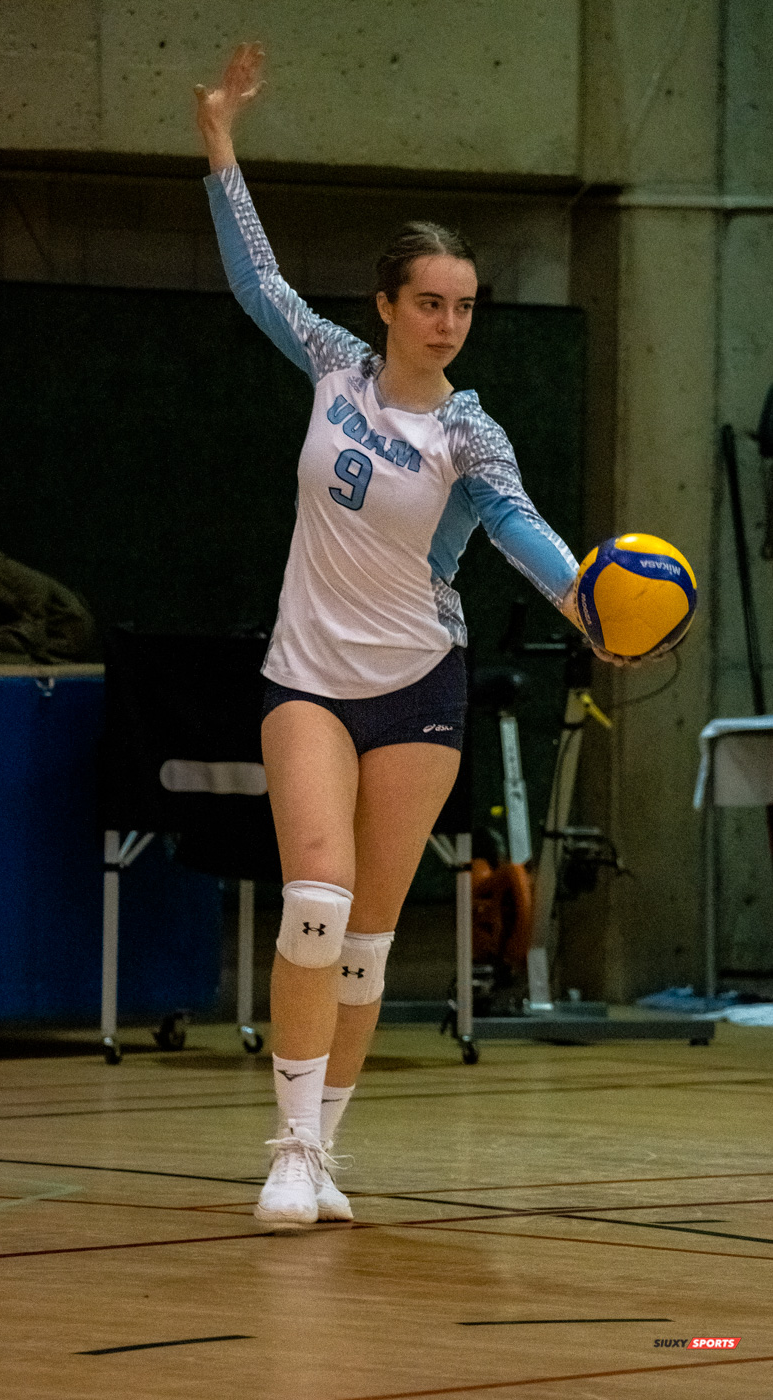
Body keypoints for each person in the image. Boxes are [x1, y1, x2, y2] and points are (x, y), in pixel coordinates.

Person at [195, 43, 608, 1230]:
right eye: (428, 299)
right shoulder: (333, 368)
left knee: (369, 939)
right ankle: (283, 1144)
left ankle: (324, 1151)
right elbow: (256, 280)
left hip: (421, 682)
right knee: (313, 902)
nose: (448, 320)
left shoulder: (475, 439)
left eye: (465, 304)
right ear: (385, 306)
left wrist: (595, 606)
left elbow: (528, 538)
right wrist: (223, 141)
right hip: (306, 680)